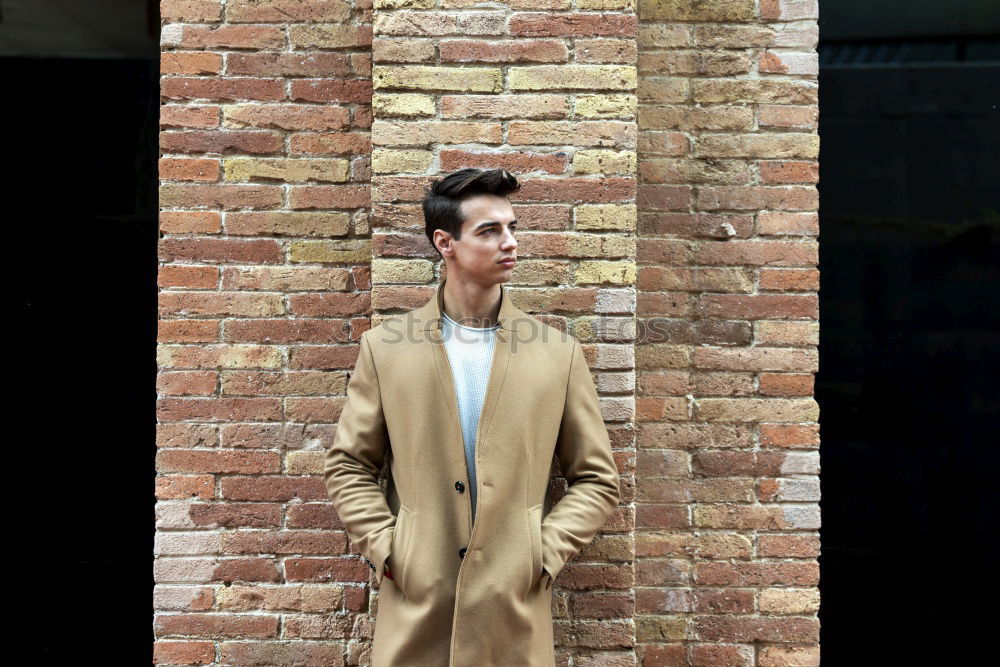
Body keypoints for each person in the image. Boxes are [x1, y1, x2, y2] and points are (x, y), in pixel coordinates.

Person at [324, 167, 620, 665]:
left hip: (512, 616)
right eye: (490, 230)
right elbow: (348, 465)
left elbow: (596, 478)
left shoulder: (556, 353)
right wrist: (390, 548)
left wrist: (541, 554)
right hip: (418, 610)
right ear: (446, 243)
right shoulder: (387, 350)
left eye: (512, 227)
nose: (511, 242)